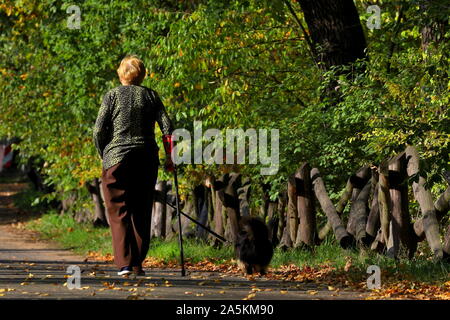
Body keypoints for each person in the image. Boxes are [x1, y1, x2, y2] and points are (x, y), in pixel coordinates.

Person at [93, 55, 174, 276]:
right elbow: (167, 127)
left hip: (116, 159)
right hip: (146, 157)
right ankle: (137, 264)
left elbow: (99, 130)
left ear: (121, 74)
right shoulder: (150, 95)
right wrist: (170, 157)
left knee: (118, 210)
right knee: (141, 209)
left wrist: (104, 152)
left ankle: (125, 263)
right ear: (142, 74)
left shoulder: (111, 96)